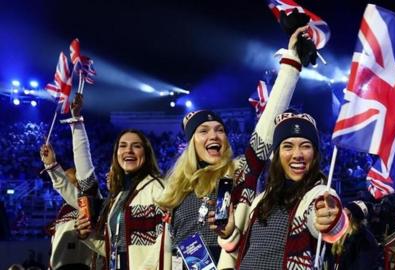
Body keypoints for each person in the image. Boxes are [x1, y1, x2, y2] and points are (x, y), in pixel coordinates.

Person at [155, 25, 311, 268]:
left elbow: (267, 127)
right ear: (191, 142)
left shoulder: (240, 172)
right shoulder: (175, 188)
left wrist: (290, 65)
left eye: (220, 130)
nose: (214, 135)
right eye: (204, 131)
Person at [209, 112, 348, 269]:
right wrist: (229, 233)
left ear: (315, 154)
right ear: (277, 154)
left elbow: (327, 220)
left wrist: (330, 219)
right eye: (288, 146)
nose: (297, 155)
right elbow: (251, 252)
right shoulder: (261, 199)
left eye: (306, 146)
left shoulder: (319, 193)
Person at [76, 129, 166, 269]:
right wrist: (87, 236)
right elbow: (113, 249)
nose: (129, 150)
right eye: (123, 145)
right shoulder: (119, 195)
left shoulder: (157, 188)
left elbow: (165, 241)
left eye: (136, 146)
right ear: (116, 154)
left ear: (147, 154)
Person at [40, 93, 99, 270]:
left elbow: (84, 171)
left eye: (74, 180)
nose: (73, 184)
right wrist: (50, 165)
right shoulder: (66, 209)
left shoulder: (95, 201)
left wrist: (52, 166)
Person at [327, 200, 381, 270]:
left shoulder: (365, 240)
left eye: (343, 214)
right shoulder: (341, 234)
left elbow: (363, 266)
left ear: (350, 217)